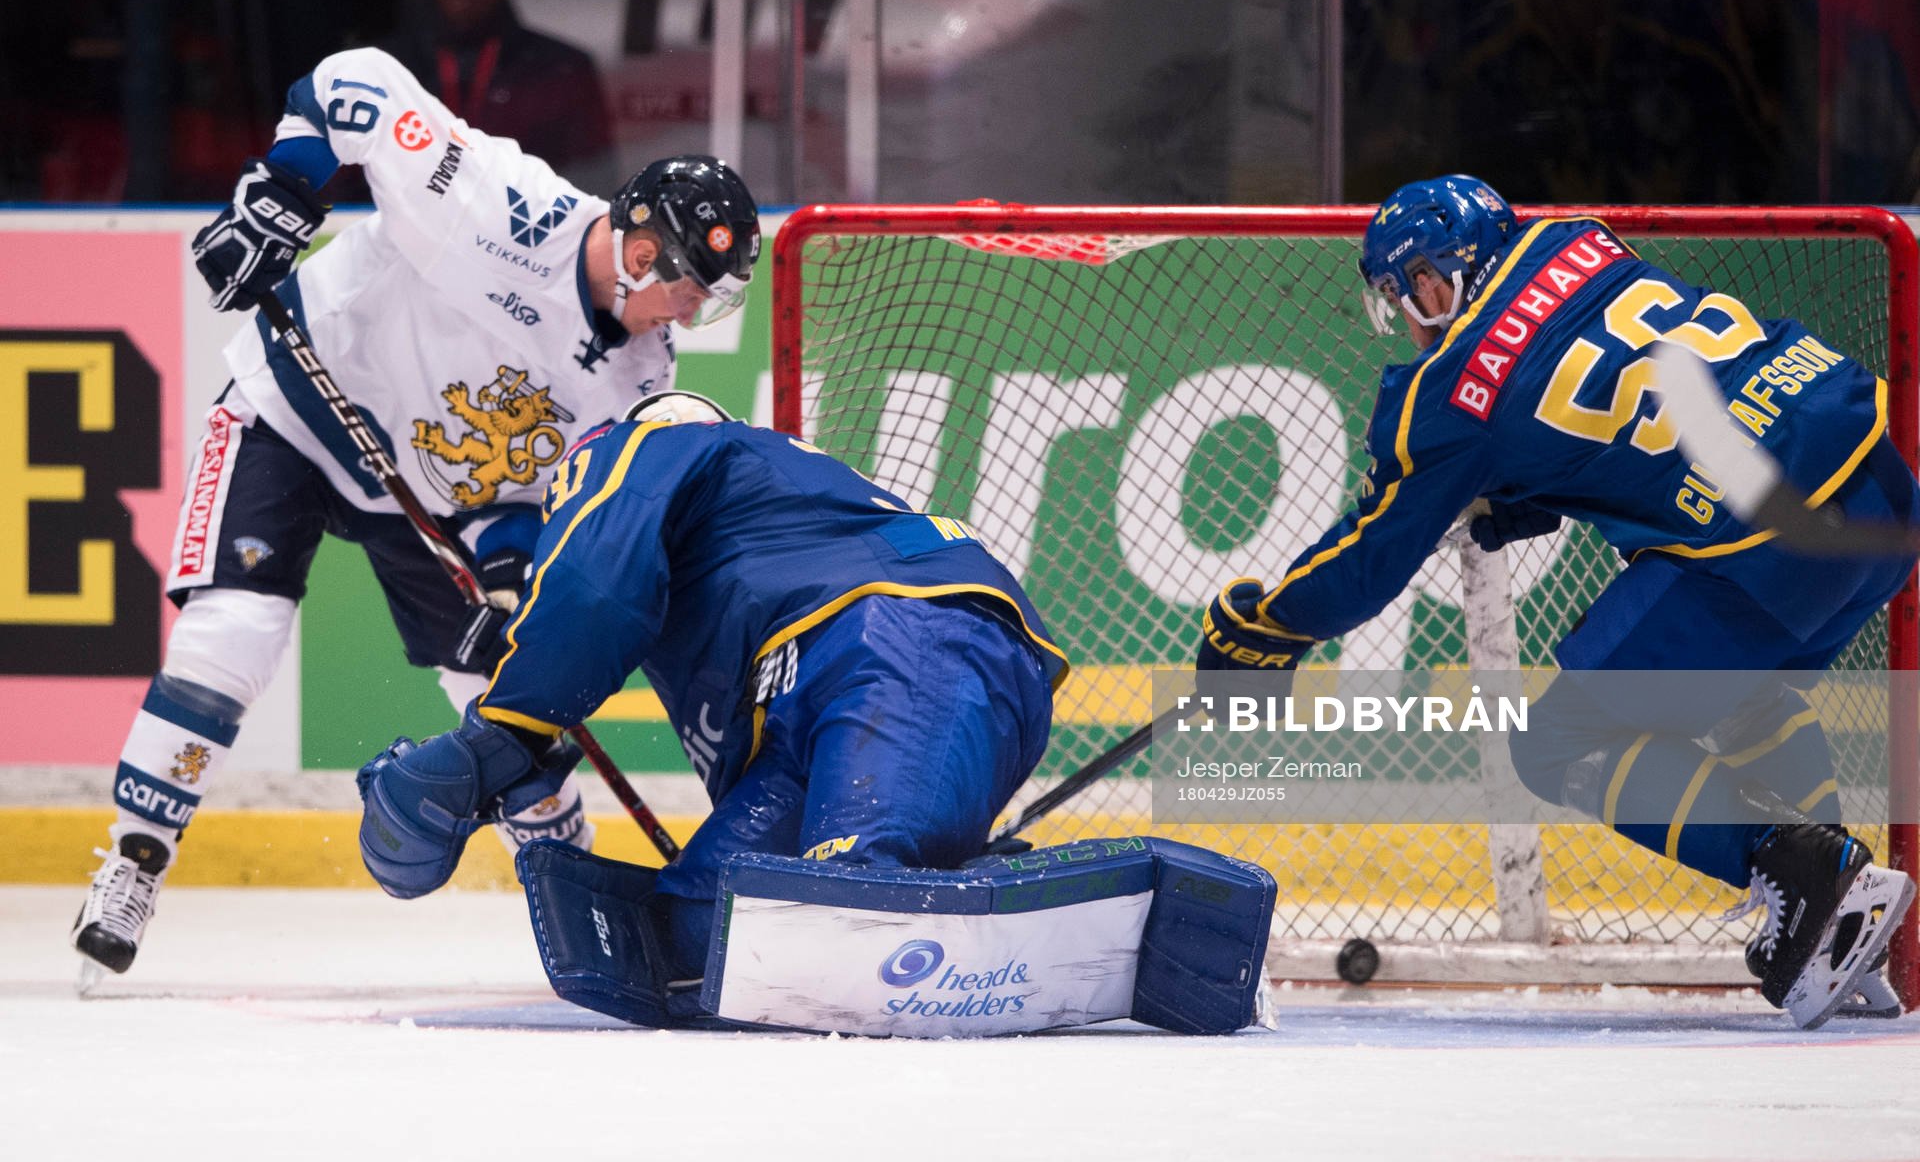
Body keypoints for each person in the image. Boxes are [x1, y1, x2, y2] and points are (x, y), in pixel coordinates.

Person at [69, 43, 760, 981]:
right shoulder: (497, 205)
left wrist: (512, 574)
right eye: (687, 291)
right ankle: (132, 861)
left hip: (432, 499)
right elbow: (349, 83)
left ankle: (562, 883)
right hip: (300, 407)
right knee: (232, 632)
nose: (683, 317)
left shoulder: (639, 375)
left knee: (506, 701)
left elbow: (528, 494)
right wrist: (281, 189)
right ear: (641, 253)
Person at [1197, 174, 1917, 1029]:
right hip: (1883, 484)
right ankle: (1838, 920)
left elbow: (1372, 558)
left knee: (1554, 742)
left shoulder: (1451, 394)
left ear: (1435, 280)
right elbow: (1611, 398)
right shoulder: (1578, 238)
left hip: (1760, 537)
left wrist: (1268, 624)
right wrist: (1515, 496)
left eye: (1406, 294)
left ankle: (1806, 876)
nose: (1413, 316)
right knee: (1746, 689)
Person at [353, 396, 1277, 1037]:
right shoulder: (755, 531)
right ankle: (953, 873)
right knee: (689, 946)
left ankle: (1127, 895)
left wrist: (497, 732)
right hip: (846, 694)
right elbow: (598, 630)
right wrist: (498, 767)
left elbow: (591, 585)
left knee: (851, 892)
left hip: (893, 643)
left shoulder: (646, 449)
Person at [382, 0, 616, 194]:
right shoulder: (381, 68)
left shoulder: (564, 70)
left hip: (531, 224)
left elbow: (593, 189)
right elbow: (347, 188)